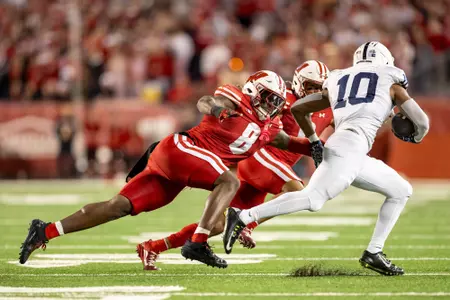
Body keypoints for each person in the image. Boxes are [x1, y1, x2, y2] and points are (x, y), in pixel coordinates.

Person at [19, 70, 316, 269]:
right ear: (253, 91)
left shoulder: (268, 127)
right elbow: (206, 100)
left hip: (184, 167)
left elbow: (293, 143)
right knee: (229, 181)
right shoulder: (235, 100)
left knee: (118, 206)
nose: (273, 106)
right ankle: (196, 245)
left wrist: (321, 148)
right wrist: (218, 110)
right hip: (182, 149)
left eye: (276, 102)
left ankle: (45, 230)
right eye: (268, 99)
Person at [223, 42, 430, 276]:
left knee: (400, 190)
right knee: (313, 199)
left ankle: (374, 252)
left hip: (351, 149)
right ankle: (244, 215)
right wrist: (417, 136)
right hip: (349, 148)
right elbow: (422, 122)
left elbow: (299, 108)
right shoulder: (390, 80)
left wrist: (313, 139)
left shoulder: (339, 79)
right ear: (384, 60)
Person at [135, 61, 333, 271]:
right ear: (298, 82)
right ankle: (248, 224)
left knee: (217, 224)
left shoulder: (330, 109)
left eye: (319, 87)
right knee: (297, 190)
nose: (315, 91)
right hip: (260, 158)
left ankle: (154, 247)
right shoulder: (284, 98)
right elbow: (255, 113)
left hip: (272, 169)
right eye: (311, 86)